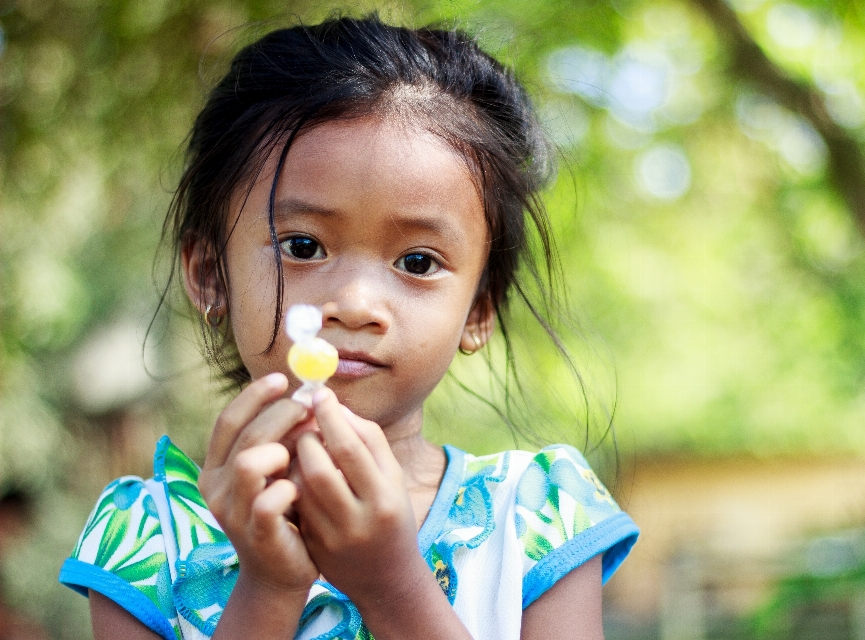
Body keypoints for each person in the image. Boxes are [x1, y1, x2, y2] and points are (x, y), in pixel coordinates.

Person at [59, 15, 639, 640]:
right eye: (303, 246)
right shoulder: (145, 538)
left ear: (478, 310)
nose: (357, 305)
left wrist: (393, 585)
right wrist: (268, 587)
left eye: (418, 262)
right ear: (210, 275)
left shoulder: (541, 516)